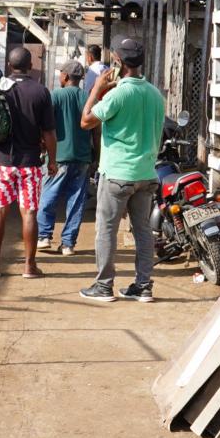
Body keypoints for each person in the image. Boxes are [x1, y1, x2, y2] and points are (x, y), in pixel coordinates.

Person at [78, 36, 166, 303]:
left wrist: (96, 88)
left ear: (117, 61)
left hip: (117, 174)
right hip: (146, 174)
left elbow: (86, 121)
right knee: (142, 231)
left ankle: (103, 286)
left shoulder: (119, 94)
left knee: (106, 229)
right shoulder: (154, 93)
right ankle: (143, 286)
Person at [0, 46, 55, 279]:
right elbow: (48, 133)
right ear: (30, 66)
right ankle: (29, 266)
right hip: (30, 163)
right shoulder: (40, 92)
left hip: (2, 160)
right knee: (29, 214)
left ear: (9, 66)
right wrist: (52, 161)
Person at [37, 59, 92, 257]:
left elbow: (45, 126)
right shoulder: (87, 97)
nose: (59, 76)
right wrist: (96, 156)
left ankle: (44, 236)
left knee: (49, 195)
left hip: (59, 155)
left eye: (61, 73)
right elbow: (96, 129)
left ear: (66, 76)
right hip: (83, 156)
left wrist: (42, 146)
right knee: (76, 201)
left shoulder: (56, 95)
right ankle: (68, 244)